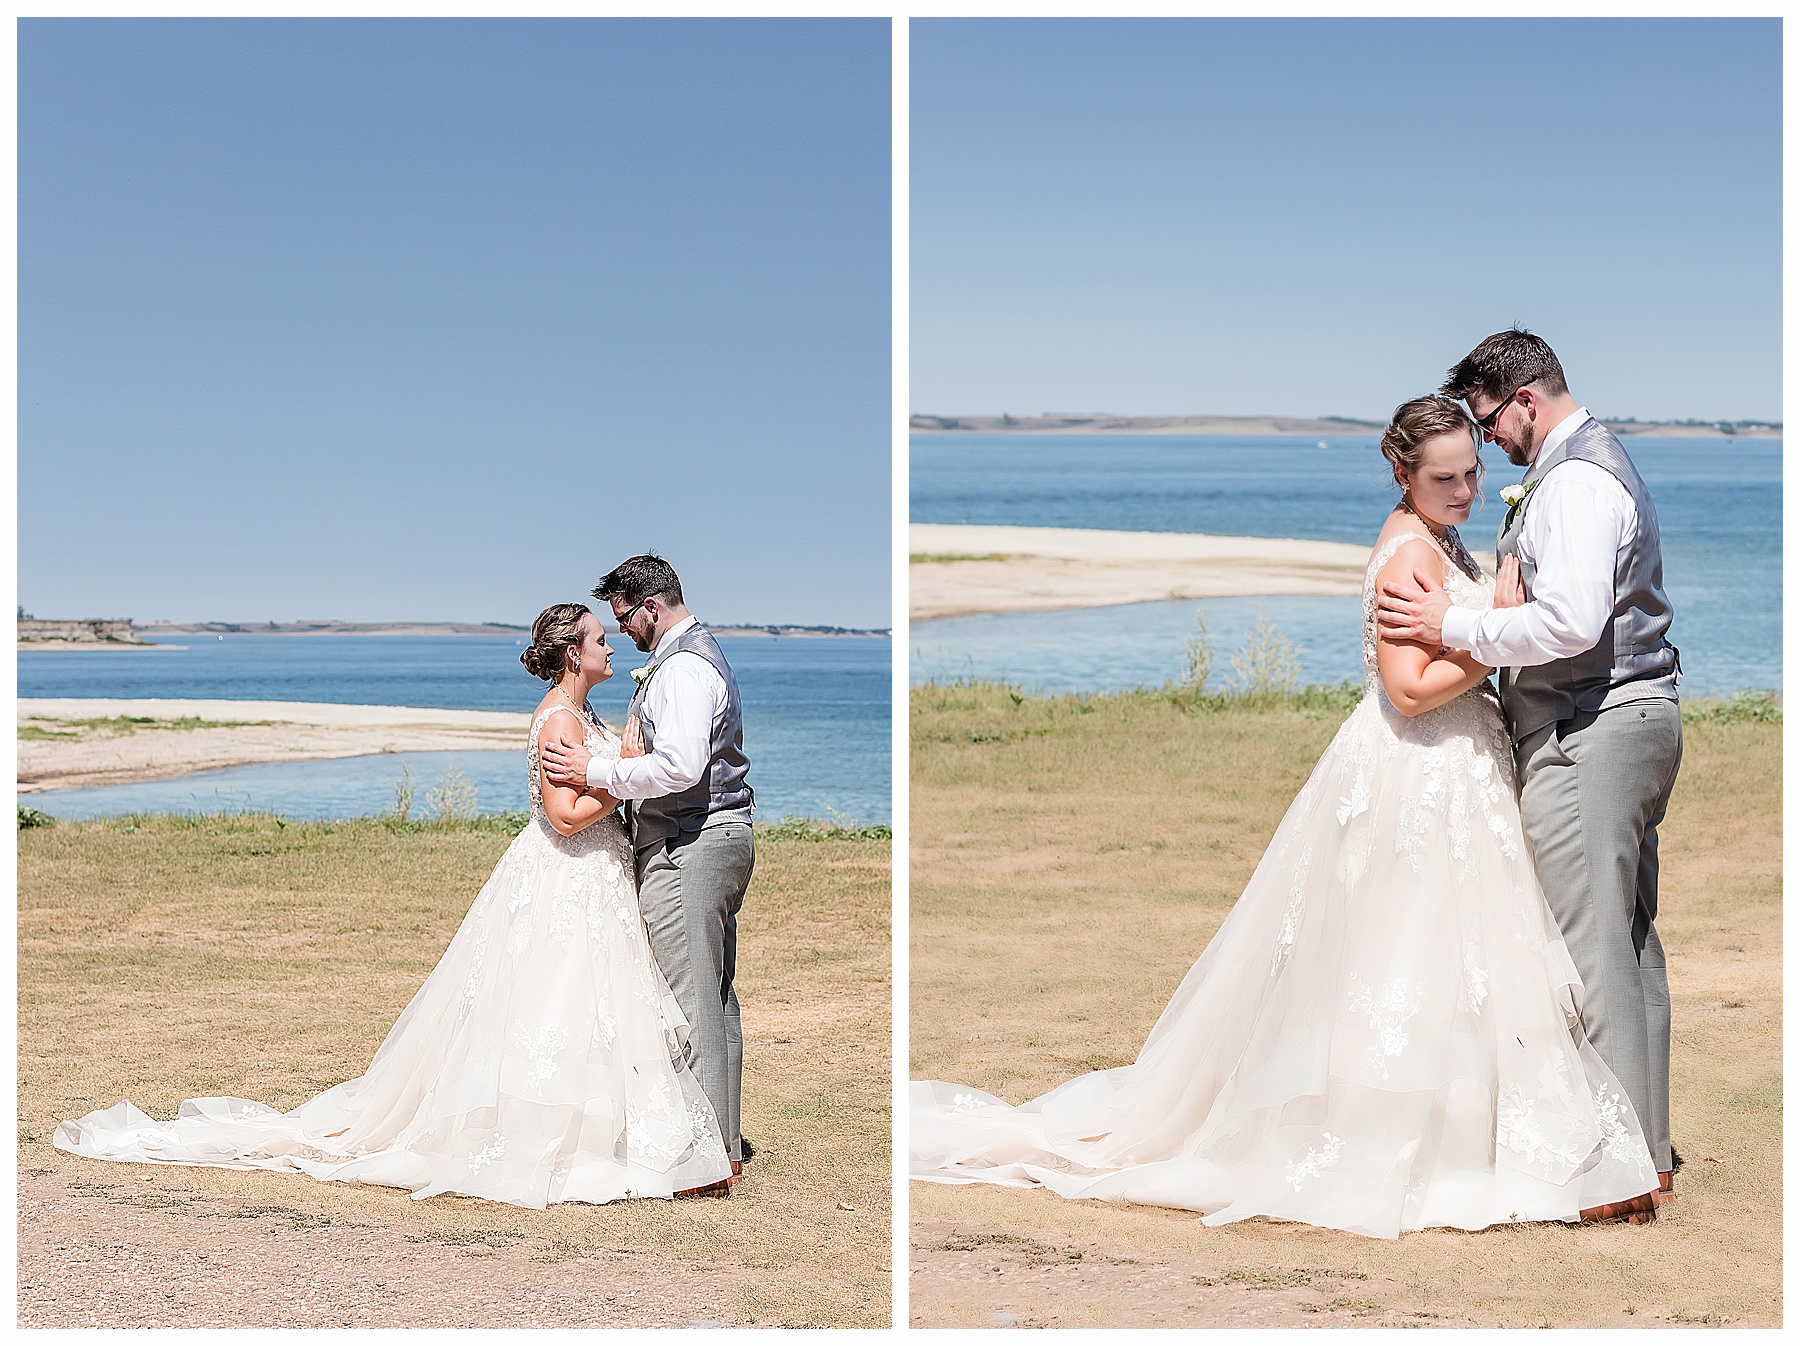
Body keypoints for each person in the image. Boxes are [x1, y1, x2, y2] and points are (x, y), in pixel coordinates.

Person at [910, 396, 1658, 1239]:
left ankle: (1472, 1129)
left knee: (1457, 958)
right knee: (1409, 949)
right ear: (1404, 477)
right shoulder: (1407, 555)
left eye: (1474, 472)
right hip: (1420, 767)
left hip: (1460, 767)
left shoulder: (1442, 541)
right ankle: (1396, 1136)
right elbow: (1410, 693)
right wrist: (1489, 637)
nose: (1466, 491)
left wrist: (1483, 622)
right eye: (1445, 478)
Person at [55, 602, 733, 1207]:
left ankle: (604, 1133)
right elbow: (563, 815)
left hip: (596, 878)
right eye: (597, 639)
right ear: (571, 655)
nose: (610, 646)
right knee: (556, 1000)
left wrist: (616, 765)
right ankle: (547, 1138)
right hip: (570, 871)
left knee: (594, 1009)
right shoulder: (559, 718)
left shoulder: (582, 713)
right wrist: (619, 781)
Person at [1378, 328, 1682, 1212]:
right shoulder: (1582, 467)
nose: (1489, 447)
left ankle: (1616, 1176)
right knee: (1627, 942)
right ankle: (1647, 1154)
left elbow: (1574, 622)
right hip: (1628, 718)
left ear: (1525, 401)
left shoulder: (1579, 480)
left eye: (1489, 424)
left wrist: (1456, 627)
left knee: (1592, 950)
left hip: (1592, 728)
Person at [541, 555, 756, 1183]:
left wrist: (597, 772)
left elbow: (681, 766)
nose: (623, 633)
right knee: (714, 998)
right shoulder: (689, 657)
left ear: (651, 607)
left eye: (624, 620)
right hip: (712, 835)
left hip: (691, 842)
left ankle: (706, 1156)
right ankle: (725, 1148)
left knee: (691, 1001)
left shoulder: (684, 670)